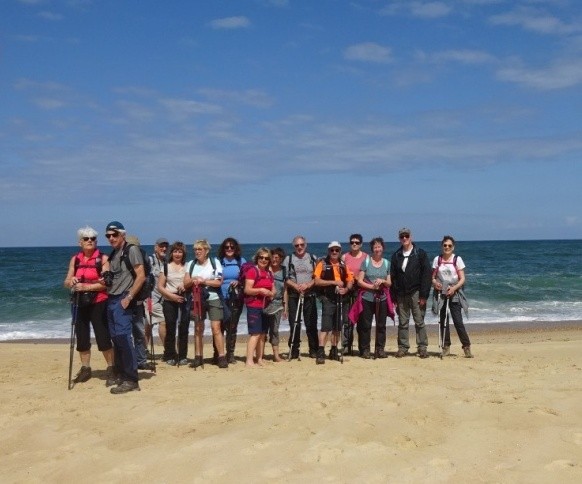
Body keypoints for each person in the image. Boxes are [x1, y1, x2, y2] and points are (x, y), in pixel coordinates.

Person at [63, 226, 115, 384]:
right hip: (79, 302)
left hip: (99, 301)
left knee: (103, 336)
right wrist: (71, 282)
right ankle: (85, 368)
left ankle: (112, 368)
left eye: (93, 238)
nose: (90, 241)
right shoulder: (75, 259)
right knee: (82, 336)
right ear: (80, 242)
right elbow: (66, 282)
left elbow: (108, 283)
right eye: (86, 239)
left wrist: (87, 287)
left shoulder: (103, 259)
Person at [102, 221, 145, 394]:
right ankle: (122, 375)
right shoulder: (114, 253)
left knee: (124, 339)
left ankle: (131, 379)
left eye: (114, 234)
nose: (111, 238)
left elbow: (141, 276)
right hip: (112, 300)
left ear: (123, 235)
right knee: (117, 339)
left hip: (122, 300)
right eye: (108, 235)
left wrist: (129, 297)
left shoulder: (131, 250)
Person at [390, 228, 432, 359]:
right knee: (403, 323)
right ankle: (403, 347)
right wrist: (394, 296)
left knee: (419, 321)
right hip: (401, 294)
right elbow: (393, 277)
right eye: (402, 236)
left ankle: (422, 347)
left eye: (406, 236)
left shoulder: (420, 253)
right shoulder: (396, 255)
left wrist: (424, 295)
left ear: (411, 237)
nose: (404, 238)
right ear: (399, 238)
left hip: (416, 292)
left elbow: (427, 275)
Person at [184, 239, 226, 368]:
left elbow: (219, 282)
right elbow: (186, 283)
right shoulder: (190, 264)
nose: (197, 252)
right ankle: (198, 357)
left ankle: (221, 357)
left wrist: (204, 282)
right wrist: (194, 280)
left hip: (213, 297)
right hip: (197, 298)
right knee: (198, 328)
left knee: (216, 328)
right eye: (195, 249)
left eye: (200, 249)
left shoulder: (215, 263)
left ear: (206, 251)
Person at [432, 235, 473, 358]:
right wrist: (435, 284)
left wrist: (454, 288)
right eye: (445, 245)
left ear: (453, 247)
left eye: (449, 245)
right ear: (442, 246)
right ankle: (446, 347)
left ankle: (466, 347)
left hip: (455, 291)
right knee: (443, 320)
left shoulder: (457, 259)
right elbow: (433, 277)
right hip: (442, 291)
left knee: (457, 321)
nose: (447, 247)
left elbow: (462, 279)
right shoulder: (437, 259)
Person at [313, 241, 354, 364]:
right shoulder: (322, 264)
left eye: (337, 250)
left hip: (340, 299)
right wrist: (333, 282)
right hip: (327, 299)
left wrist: (346, 289)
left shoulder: (343, 264)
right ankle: (321, 351)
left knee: (337, 327)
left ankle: (334, 350)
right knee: (325, 327)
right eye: (332, 250)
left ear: (340, 251)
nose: (334, 252)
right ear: (328, 251)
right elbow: (317, 281)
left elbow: (350, 280)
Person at [284, 235, 318, 359]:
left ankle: (313, 350)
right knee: (294, 324)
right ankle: (294, 350)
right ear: (294, 246)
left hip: (309, 295)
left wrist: (308, 285)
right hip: (294, 295)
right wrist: (296, 286)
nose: (299, 247)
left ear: (306, 245)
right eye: (297, 245)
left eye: (301, 245)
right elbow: (285, 278)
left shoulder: (313, 258)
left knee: (311, 324)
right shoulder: (288, 259)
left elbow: (317, 277)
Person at [356, 237, 392, 359]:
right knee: (365, 325)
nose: (377, 249)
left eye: (379, 247)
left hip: (381, 298)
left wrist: (382, 281)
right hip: (367, 298)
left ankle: (380, 349)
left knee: (381, 325)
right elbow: (360, 281)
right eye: (375, 247)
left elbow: (389, 283)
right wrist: (372, 286)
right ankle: (365, 350)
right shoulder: (366, 262)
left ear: (383, 248)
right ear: (372, 249)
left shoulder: (387, 263)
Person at [157, 241, 190, 366]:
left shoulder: (187, 266)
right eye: (175, 251)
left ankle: (182, 356)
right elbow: (160, 286)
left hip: (184, 300)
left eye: (180, 251)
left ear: (183, 253)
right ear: (171, 253)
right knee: (170, 329)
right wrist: (172, 296)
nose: (177, 254)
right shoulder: (165, 267)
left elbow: (190, 281)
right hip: (169, 301)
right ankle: (170, 355)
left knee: (184, 328)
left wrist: (184, 285)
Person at [243, 248, 276, 367]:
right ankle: (249, 360)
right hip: (253, 306)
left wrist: (271, 294)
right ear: (257, 258)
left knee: (262, 334)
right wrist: (260, 290)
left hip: (266, 306)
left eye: (267, 258)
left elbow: (273, 289)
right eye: (261, 257)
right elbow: (247, 289)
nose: (264, 260)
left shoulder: (269, 273)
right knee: (255, 333)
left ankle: (260, 358)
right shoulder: (252, 271)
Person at [217, 237, 246, 364]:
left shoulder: (241, 261)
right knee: (219, 327)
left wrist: (239, 282)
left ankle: (230, 354)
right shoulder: (218, 262)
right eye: (226, 247)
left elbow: (247, 278)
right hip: (220, 298)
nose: (229, 249)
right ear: (223, 249)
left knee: (232, 327)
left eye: (232, 247)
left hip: (236, 298)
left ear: (236, 249)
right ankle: (218, 354)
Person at [125, 235, 150, 371]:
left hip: (137, 301)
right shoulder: (144, 257)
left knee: (137, 332)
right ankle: (137, 360)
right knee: (133, 333)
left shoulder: (143, 259)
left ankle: (139, 360)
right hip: (133, 300)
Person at [342, 233, 367, 354]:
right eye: (352, 242)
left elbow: (368, 275)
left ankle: (363, 347)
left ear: (361, 244)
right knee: (347, 320)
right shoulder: (344, 257)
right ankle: (346, 345)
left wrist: (358, 279)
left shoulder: (366, 257)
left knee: (361, 320)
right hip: (347, 290)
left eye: (357, 242)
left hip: (361, 291)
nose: (354, 244)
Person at [264, 247, 288, 362]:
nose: (274, 259)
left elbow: (285, 290)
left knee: (274, 329)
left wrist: (285, 307)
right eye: (273, 257)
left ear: (281, 259)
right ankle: (260, 354)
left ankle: (276, 355)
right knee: (262, 330)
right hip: (264, 302)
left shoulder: (284, 271)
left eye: (277, 258)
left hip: (278, 303)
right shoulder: (265, 269)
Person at [145, 238, 168, 353]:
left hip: (163, 299)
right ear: (156, 247)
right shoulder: (150, 260)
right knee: (157, 322)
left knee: (149, 324)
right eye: (161, 246)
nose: (164, 248)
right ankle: (167, 350)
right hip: (150, 298)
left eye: (165, 246)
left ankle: (143, 350)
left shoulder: (166, 262)